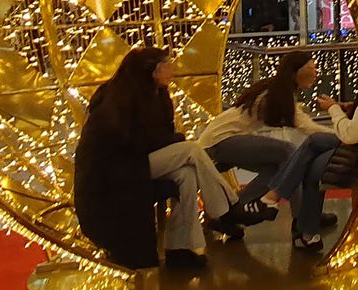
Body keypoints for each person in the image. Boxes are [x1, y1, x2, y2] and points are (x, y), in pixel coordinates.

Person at [72, 47, 258, 271]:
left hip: (140, 161)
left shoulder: (159, 95)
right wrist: (173, 140)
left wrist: (170, 139)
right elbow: (135, 142)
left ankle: (180, 248)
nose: (173, 70)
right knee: (190, 150)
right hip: (115, 169)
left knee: (186, 174)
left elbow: (159, 138)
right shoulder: (118, 98)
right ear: (152, 70)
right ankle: (228, 208)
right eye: (167, 64)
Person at [199, 53, 358, 254]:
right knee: (289, 152)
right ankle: (301, 218)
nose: (315, 74)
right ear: (296, 72)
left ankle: (232, 212)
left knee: (281, 168)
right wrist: (343, 136)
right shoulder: (276, 93)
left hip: (221, 138)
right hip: (220, 140)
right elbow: (307, 127)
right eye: (311, 70)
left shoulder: (277, 90)